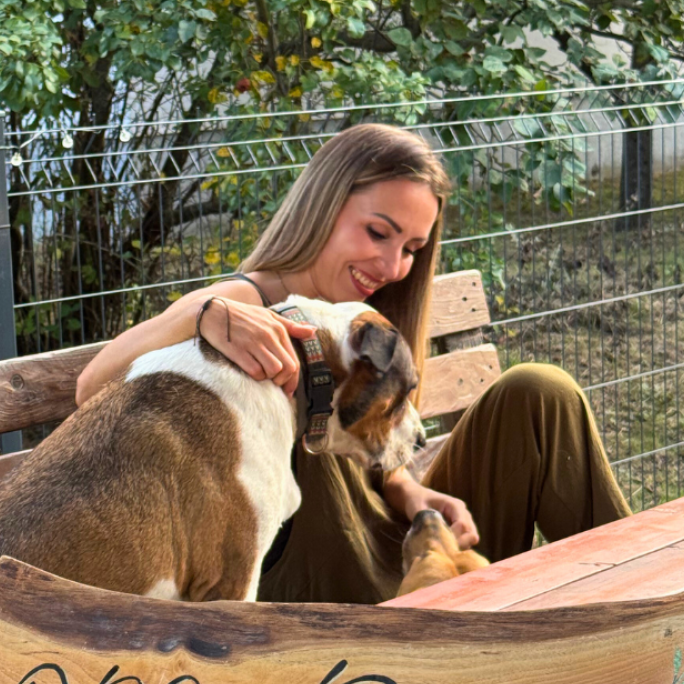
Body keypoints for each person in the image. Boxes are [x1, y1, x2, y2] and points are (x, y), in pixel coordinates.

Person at [75, 123, 630, 603]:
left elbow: (372, 444)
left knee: (538, 392)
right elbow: (90, 389)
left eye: (411, 249)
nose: (391, 266)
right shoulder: (249, 306)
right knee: (307, 382)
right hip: (330, 586)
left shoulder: (368, 316)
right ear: (323, 206)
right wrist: (206, 311)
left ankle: (644, 598)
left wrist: (410, 493)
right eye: (378, 232)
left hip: (408, 551)